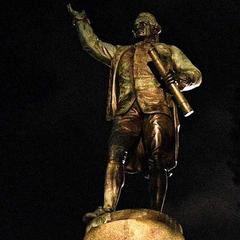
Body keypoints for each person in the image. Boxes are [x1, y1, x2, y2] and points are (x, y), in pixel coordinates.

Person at [67, 6, 202, 219]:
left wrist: (182, 79)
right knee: (114, 153)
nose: (139, 26)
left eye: (145, 22)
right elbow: (92, 45)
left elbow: (195, 74)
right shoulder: (121, 53)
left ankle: (157, 213)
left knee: (157, 159)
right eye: (137, 24)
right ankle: (107, 209)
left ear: (156, 29)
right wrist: (80, 19)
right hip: (127, 110)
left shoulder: (168, 51)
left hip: (157, 107)